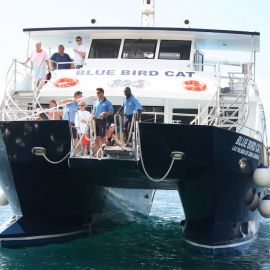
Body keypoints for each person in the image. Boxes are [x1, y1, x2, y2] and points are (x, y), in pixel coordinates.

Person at [92, 88, 114, 154]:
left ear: (102, 93)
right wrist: (92, 115)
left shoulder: (108, 102)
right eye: (96, 93)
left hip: (103, 121)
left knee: (101, 137)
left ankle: (102, 153)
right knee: (95, 137)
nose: (97, 94)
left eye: (98, 93)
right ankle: (96, 153)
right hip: (95, 120)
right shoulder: (95, 102)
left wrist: (104, 113)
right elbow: (94, 111)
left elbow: (112, 112)